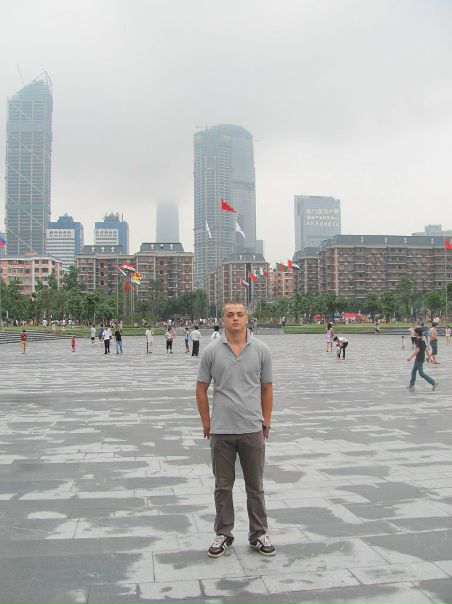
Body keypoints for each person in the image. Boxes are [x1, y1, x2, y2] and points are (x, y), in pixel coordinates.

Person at [196, 301, 275, 558]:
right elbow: (201, 388)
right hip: (221, 431)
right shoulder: (211, 351)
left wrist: (266, 420)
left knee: (255, 486)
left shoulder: (261, 350)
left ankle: (258, 534)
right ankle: (224, 534)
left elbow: (267, 387)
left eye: (240, 314)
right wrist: (207, 422)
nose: (235, 319)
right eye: (230, 315)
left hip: (252, 428)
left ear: (246, 318)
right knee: (223, 486)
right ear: (223, 319)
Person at [407, 327, 437, 391]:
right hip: (419, 358)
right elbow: (426, 350)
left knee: (421, 373)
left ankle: (433, 382)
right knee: (413, 371)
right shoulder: (422, 340)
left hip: (419, 359)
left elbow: (417, 350)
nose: (413, 332)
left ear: (417, 333)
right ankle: (411, 385)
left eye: (414, 332)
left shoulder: (419, 340)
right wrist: (430, 358)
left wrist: (410, 357)